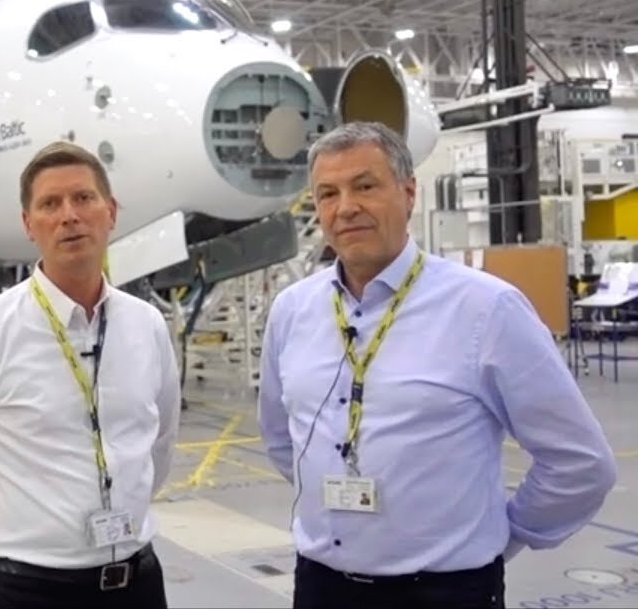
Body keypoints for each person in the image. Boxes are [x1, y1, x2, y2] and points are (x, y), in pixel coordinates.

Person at [257, 120, 618, 609]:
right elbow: (283, 438)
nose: (346, 208)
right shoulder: (292, 310)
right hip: (321, 586)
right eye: (327, 193)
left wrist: (501, 536)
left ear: (408, 193)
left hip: (444, 590)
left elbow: (580, 462)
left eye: (365, 186)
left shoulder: (486, 309)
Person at [0, 140, 182, 609]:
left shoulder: (148, 326)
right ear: (28, 224)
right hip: (25, 591)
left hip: (136, 585)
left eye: (83, 198)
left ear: (110, 211)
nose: (69, 216)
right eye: (50, 204)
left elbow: (158, 445)